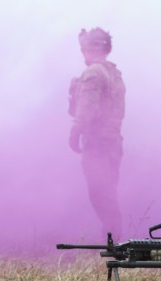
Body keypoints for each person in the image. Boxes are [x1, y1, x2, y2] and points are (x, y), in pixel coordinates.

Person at [68, 27, 126, 240]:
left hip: (98, 143)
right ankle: (112, 242)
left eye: (84, 48)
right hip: (112, 143)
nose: (82, 53)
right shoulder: (114, 74)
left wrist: (76, 131)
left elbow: (87, 108)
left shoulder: (93, 73)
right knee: (107, 193)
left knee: (101, 195)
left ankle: (112, 245)